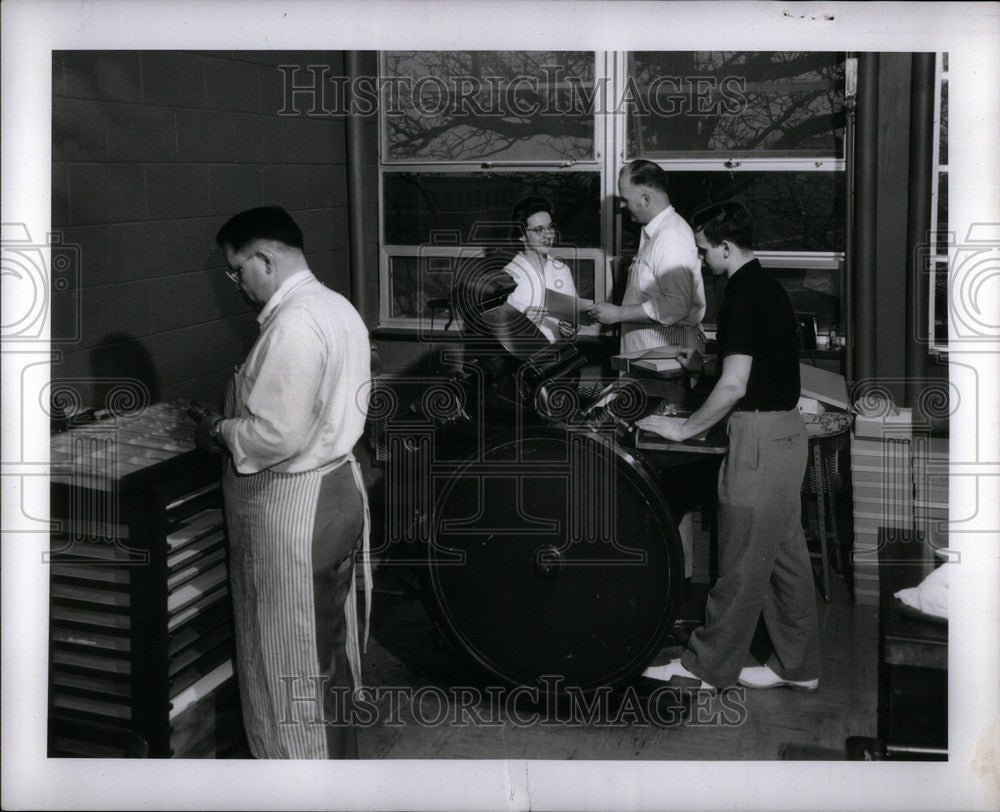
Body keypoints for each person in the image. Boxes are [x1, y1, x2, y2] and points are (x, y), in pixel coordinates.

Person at [193, 206, 372, 758]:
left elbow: (277, 432)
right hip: (338, 492)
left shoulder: (294, 323)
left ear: (265, 259)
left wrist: (220, 430)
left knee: (289, 660)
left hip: (298, 511)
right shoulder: (336, 306)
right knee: (329, 652)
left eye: (236, 270)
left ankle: (303, 783)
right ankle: (340, 769)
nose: (237, 284)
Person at [635, 201, 820, 693]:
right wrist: (703, 368)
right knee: (785, 559)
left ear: (724, 247)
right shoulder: (768, 286)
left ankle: (707, 667)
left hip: (759, 439)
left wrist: (683, 429)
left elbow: (736, 387)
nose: (700, 261)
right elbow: (757, 369)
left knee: (738, 562)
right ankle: (798, 665)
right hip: (785, 434)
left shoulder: (739, 296)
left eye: (703, 251)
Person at [587, 159, 707, 579]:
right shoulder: (654, 234)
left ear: (645, 195)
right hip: (648, 371)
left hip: (661, 375)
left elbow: (674, 307)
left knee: (660, 476)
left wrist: (618, 313)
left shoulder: (671, 238)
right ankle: (669, 571)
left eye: (626, 199)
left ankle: (671, 576)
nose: (623, 207)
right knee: (656, 475)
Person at [502, 195, 579, 343]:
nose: (549, 235)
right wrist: (521, 324)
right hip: (523, 362)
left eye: (550, 227)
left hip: (559, 357)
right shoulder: (507, 276)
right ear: (522, 236)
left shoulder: (563, 270)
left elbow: (573, 332)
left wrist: (570, 331)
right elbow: (498, 337)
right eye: (539, 230)